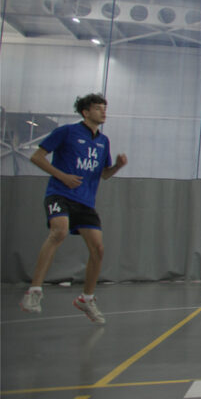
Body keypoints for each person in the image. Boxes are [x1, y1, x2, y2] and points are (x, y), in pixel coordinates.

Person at [19, 93, 127, 323]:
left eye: (105, 108)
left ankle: (86, 299)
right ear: (86, 112)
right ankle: (34, 291)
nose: (103, 112)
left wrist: (117, 165)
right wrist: (62, 176)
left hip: (85, 201)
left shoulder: (103, 141)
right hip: (61, 193)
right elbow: (37, 157)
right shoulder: (66, 132)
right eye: (98, 108)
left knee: (98, 249)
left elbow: (104, 175)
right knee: (59, 231)